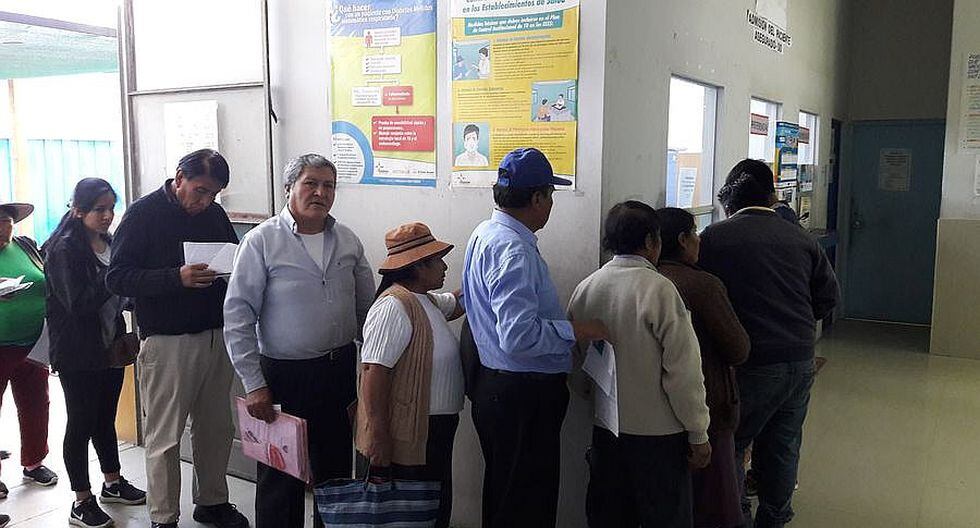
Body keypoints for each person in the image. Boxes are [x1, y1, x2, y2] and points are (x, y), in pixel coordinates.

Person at [224, 154, 374, 528]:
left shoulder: (347, 240)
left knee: (334, 472)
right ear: (289, 187)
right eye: (311, 183)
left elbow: (366, 308)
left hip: (337, 371)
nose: (321, 192)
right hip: (282, 377)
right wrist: (254, 384)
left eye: (329, 185)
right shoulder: (261, 241)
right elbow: (238, 317)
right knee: (280, 477)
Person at [462, 147, 608, 528]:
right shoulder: (513, 250)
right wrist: (578, 330)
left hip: (499, 388)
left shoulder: (486, 232)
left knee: (506, 496)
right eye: (551, 195)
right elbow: (518, 336)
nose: (551, 204)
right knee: (526, 504)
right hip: (522, 395)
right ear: (538, 199)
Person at [106, 149, 247, 528]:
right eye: (200, 191)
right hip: (168, 341)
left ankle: (212, 501)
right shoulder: (142, 214)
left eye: (214, 194)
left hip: (216, 335)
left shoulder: (214, 214)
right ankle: (164, 516)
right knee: (166, 435)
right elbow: (117, 277)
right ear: (179, 177)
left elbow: (230, 257)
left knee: (216, 429)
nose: (206, 201)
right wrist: (175, 277)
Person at [699, 159, 839, 528]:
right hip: (801, 358)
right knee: (783, 444)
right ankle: (774, 518)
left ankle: (738, 517)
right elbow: (828, 297)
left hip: (752, 363)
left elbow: (702, 297)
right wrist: (795, 323)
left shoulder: (714, 238)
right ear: (772, 196)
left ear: (729, 199)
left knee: (732, 443)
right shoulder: (802, 239)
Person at [567, 201, 711, 528]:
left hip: (607, 430)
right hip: (659, 437)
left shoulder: (586, 288)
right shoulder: (660, 291)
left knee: (609, 517)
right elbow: (684, 373)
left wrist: (596, 398)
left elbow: (574, 362)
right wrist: (698, 432)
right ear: (650, 241)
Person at [43, 178, 147, 527]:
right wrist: (113, 276)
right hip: (77, 353)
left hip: (110, 347)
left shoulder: (110, 242)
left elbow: (121, 293)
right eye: (99, 210)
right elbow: (77, 304)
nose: (107, 216)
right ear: (78, 211)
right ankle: (81, 500)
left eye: (111, 209)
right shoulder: (63, 249)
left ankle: (112, 482)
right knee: (80, 422)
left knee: (105, 418)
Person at [357, 222, 465, 528]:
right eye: (438, 260)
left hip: (434, 429)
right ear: (418, 267)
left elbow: (457, 302)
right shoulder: (394, 306)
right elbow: (373, 371)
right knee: (411, 512)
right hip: (410, 430)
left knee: (432, 507)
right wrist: (378, 435)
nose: (445, 267)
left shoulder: (426, 300)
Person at [657, 207, 751, 528]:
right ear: (683, 240)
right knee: (712, 501)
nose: (699, 240)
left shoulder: (646, 281)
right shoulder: (703, 285)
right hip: (706, 405)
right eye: (695, 233)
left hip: (653, 414)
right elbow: (738, 349)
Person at [0, 201, 58, 499]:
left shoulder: (25, 246)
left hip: (34, 343)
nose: (2, 228)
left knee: (36, 403)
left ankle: (34, 462)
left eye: (6, 221)